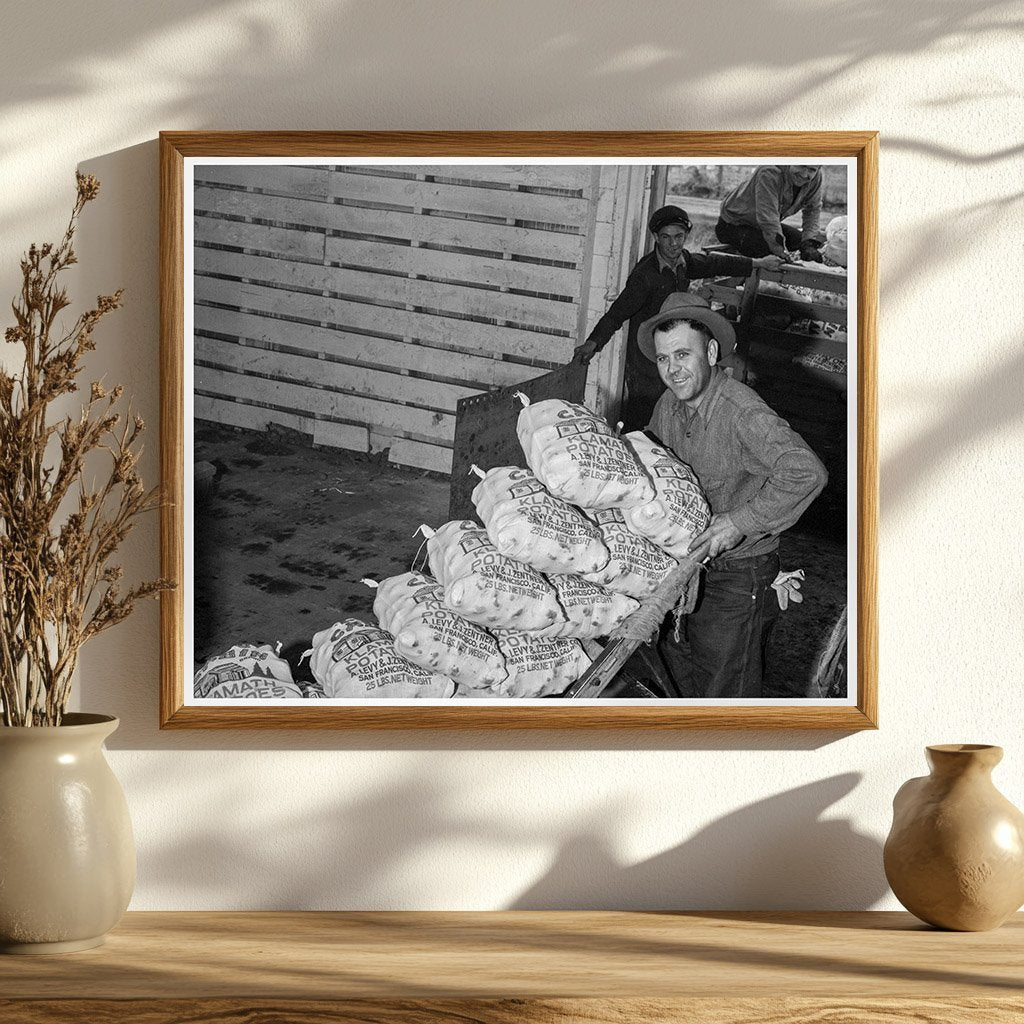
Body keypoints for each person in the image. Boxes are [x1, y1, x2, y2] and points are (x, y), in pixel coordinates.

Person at [638, 291, 828, 699]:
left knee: (726, 691)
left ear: (709, 351)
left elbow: (806, 472)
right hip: (687, 570)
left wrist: (740, 521)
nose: (672, 370)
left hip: (739, 578)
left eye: (682, 355)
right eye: (663, 359)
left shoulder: (741, 412)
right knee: (681, 677)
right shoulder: (668, 405)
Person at [575, 205, 784, 431]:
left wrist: (757, 263)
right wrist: (592, 344)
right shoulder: (645, 277)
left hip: (673, 350)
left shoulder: (683, 261)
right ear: (655, 237)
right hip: (646, 359)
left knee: (671, 410)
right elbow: (617, 314)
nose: (673, 244)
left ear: (686, 236)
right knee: (643, 414)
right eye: (666, 237)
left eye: (679, 237)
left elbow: (713, 263)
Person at [715, 165, 825, 262]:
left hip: (760, 226)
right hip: (734, 225)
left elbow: (812, 210)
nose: (805, 174)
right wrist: (781, 252)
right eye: (801, 166)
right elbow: (768, 219)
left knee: (803, 244)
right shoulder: (770, 172)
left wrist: (809, 243)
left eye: (812, 170)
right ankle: (759, 283)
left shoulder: (816, 178)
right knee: (771, 253)